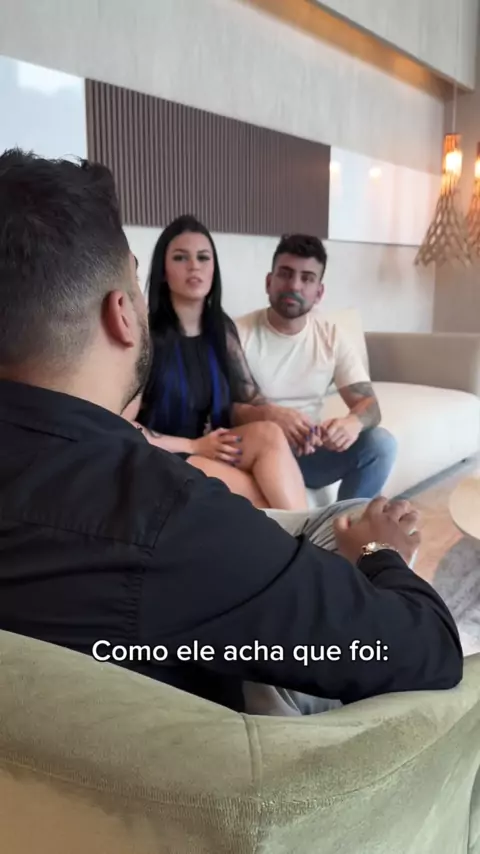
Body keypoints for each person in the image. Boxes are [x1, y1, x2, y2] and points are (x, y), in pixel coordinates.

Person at [0, 148, 462, 719]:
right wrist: (378, 553)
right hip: (219, 752)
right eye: (141, 276)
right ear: (122, 313)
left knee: (332, 484)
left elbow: (248, 402)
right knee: (355, 529)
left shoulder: (222, 343)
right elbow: (428, 649)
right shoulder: (169, 516)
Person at [133, 215, 308, 511]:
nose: (194, 266)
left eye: (203, 257)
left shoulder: (220, 329)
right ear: (163, 271)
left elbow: (248, 397)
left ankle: (309, 532)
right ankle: (310, 534)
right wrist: (192, 446)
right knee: (263, 497)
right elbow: (123, 425)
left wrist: (284, 418)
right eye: (180, 257)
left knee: (270, 434)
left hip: (211, 446)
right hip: (165, 456)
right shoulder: (146, 336)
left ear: (214, 268)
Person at [235, 234, 398, 500]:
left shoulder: (331, 336)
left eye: (307, 278)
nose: (294, 285)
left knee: (381, 445)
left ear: (319, 292)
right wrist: (268, 415)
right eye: (285, 274)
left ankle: (344, 523)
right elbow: (222, 410)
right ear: (268, 282)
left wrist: (352, 423)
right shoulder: (237, 334)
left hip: (309, 452)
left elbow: (370, 405)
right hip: (254, 449)